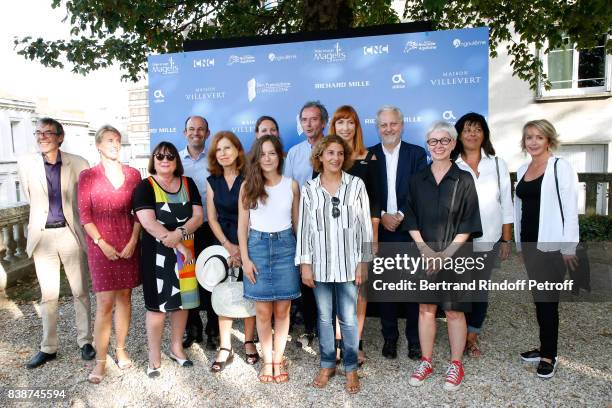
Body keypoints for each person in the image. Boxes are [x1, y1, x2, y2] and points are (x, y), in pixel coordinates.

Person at [404, 121, 482, 391]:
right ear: (428, 145)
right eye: (433, 141)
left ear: (453, 144)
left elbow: (469, 223)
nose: (438, 146)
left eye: (444, 140)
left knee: (453, 311)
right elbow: (410, 218)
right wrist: (426, 251)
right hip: (423, 256)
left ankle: (456, 364)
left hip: (456, 255)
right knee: (426, 310)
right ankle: (426, 361)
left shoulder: (464, 179)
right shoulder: (417, 179)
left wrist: (445, 254)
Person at [296, 135, 373, 394]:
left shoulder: (357, 185)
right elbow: (305, 229)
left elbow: (364, 227)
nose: (335, 158)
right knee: (324, 317)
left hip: (349, 264)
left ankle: (351, 368)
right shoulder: (309, 188)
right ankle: (327, 363)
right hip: (319, 265)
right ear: (320, 156)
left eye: (340, 153)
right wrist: (305, 264)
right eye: (330, 152)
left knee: (349, 319)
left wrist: (364, 261)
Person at [17, 117, 95, 369]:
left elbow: (86, 202)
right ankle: (48, 347)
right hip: (43, 237)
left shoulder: (79, 163)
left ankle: (85, 341)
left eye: (47, 133)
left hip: (71, 234)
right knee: (47, 295)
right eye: (38, 133)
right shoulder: (27, 163)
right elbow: (31, 199)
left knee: (80, 291)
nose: (41, 137)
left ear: (60, 137)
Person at [514, 119, 579, 379]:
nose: (533, 142)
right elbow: (520, 209)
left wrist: (569, 247)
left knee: (548, 301)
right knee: (540, 300)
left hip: (552, 246)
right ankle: (544, 347)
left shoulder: (560, 167)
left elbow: (570, 208)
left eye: (539, 137)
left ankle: (549, 356)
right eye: (529, 137)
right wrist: (519, 245)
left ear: (549, 140)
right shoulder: (522, 169)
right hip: (530, 244)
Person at [77, 125, 142, 384]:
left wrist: (134, 240)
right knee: (105, 304)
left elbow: (139, 211)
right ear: (98, 146)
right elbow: (85, 216)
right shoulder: (88, 176)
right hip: (100, 245)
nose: (115, 143)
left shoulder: (134, 174)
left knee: (125, 298)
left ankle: (121, 349)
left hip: (128, 243)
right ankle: (101, 362)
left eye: (117, 140)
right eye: (109, 140)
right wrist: (102, 243)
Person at [133, 142, 203, 377]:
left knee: (182, 302)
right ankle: (154, 355)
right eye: (160, 156)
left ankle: (176, 348)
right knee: (157, 307)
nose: (165, 159)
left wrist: (180, 235)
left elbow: (198, 216)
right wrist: (177, 243)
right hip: (158, 256)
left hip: (186, 254)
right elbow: (148, 222)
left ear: (176, 161)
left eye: (170, 156)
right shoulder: (145, 186)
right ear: (153, 159)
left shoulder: (187, 183)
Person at [238, 135, 301, 383]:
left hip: (286, 247)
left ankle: (278, 358)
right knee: (263, 310)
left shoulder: (292, 185)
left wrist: (302, 257)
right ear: (257, 157)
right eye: (262, 154)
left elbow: (298, 224)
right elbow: (242, 227)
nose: (267, 158)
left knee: (283, 310)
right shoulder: (248, 186)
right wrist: (245, 259)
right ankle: (267, 361)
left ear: (280, 156)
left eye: (272, 153)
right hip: (258, 248)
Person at [452, 113, 514, 357]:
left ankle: (472, 335)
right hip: (459, 241)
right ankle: (460, 331)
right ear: (459, 135)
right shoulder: (451, 164)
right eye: (467, 130)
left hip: (489, 238)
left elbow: (506, 204)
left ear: (484, 134)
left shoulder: (497, 164)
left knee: (480, 289)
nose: (472, 134)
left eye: (477, 129)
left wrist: (506, 239)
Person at [369, 105, 427, 360]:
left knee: (412, 290)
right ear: (378, 128)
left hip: (409, 230)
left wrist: (401, 215)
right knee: (386, 290)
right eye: (383, 125)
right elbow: (366, 194)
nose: (389, 129)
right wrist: (381, 215)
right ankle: (390, 338)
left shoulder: (416, 154)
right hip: (380, 230)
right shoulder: (368, 156)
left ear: (402, 125)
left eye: (393, 124)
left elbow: (420, 191)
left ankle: (414, 341)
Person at [327, 105, 380, 366]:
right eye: (340, 123)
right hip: (333, 237)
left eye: (350, 123)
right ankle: (339, 342)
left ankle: (355, 343)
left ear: (357, 126)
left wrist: (373, 241)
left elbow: (375, 205)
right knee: (338, 291)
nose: (345, 128)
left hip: (361, 237)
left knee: (360, 291)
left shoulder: (369, 158)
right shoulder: (327, 158)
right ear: (333, 127)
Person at [205, 131, 258, 372]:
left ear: (238, 150)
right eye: (219, 149)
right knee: (224, 290)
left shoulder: (250, 177)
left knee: (249, 290)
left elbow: (252, 214)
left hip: (248, 238)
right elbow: (212, 218)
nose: (223, 153)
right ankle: (225, 346)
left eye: (228, 148)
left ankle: (248, 341)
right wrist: (229, 246)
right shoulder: (212, 180)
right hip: (222, 242)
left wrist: (242, 248)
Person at [284, 100, 328, 346]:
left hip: (329, 223)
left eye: (314, 119)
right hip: (301, 223)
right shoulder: (294, 153)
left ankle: (329, 328)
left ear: (323, 122)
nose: (309, 124)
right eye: (305, 120)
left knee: (329, 277)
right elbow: (288, 192)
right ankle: (310, 327)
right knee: (307, 277)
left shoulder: (333, 149)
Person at [180, 115, 219, 351]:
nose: (196, 133)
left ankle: (213, 330)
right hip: (184, 231)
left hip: (210, 227)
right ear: (185, 132)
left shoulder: (215, 160)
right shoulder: (175, 161)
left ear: (207, 132)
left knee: (214, 278)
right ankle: (192, 328)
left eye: (200, 129)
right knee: (188, 280)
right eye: (191, 129)